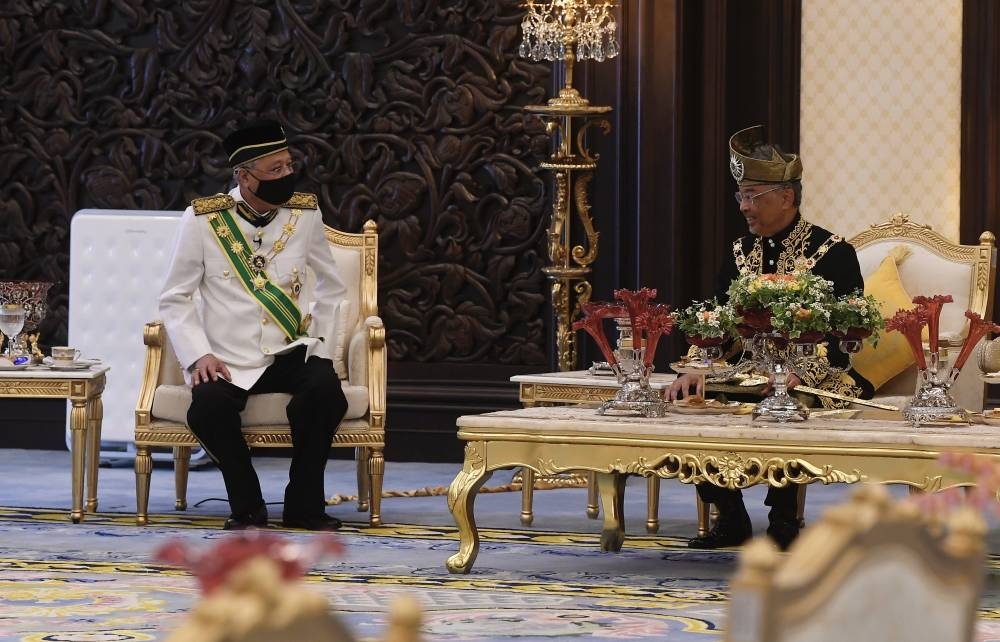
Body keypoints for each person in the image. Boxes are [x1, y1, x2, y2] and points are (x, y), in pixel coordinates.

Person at [667, 125, 874, 550]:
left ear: (787, 197)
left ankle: (784, 520)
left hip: (817, 376)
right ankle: (731, 513)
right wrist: (695, 368)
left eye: (753, 196)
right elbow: (717, 321)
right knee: (688, 405)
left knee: (786, 406)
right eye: (740, 196)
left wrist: (803, 374)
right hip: (746, 370)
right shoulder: (738, 252)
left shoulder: (833, 252)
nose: (744, 207)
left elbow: (846, 334)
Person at [159, 120, 349, 531]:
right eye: (274, 170)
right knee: (208, 408)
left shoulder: (305, 213)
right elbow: (175, 297)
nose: (286, 176)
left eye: (287, 166)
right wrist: (198, 354)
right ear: (244, 176)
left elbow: (333, 290)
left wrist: (323, 349)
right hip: (229, 357)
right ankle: (247, 506)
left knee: (326, 393)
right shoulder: (203, 220)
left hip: (289, 349)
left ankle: (304, 505)